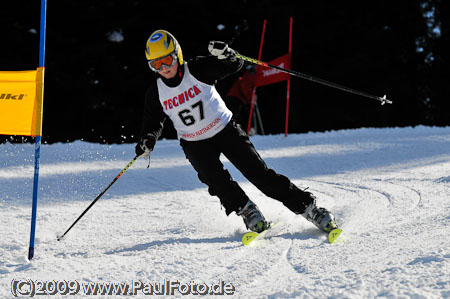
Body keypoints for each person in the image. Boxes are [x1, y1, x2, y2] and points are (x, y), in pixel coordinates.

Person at [135, 30, 339, 234]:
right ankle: (248, 210)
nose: (164, 68)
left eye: (167, 61)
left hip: (224, 129)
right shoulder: (156, 91)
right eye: (156, 64)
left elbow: (231, 66)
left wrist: (226, 55)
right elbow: (152, 120)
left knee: (258, 174)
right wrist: (148, 139)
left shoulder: (197, 69)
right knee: (216, 181)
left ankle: (310, 209)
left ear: (177, 55)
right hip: (194, 143)